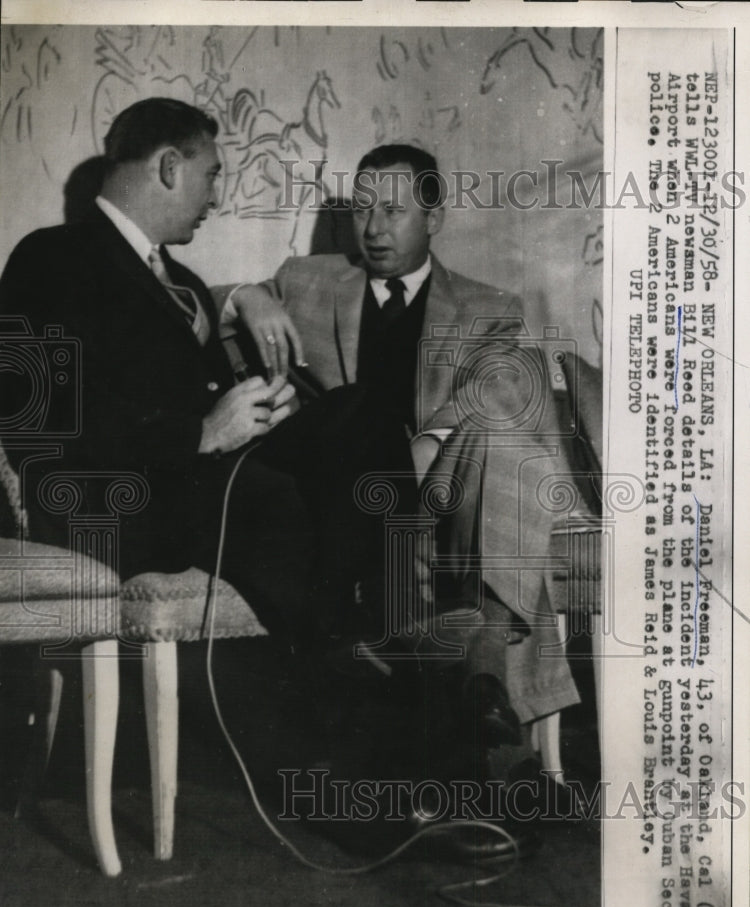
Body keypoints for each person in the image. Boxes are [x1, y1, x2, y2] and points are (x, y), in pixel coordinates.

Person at [0, 99, 414, 658]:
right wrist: (199, 433)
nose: (215, 199)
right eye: (211, 177)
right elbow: (37, 423)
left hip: (201, 480)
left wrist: (267, 410)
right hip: (120, 497)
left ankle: (395, 627)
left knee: (360, 411)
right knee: (286, 500)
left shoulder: (185, 283)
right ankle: (347, 653)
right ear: (170, 167)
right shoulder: (53, 257)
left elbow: (213, 399)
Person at [221, 143, 586, 749]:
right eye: (362, 209)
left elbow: (498, 389)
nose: (372, 228)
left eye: (393, 211)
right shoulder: (304, 282)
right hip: (343, 500)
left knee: (505, 428)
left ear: (433, 218)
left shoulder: (487, 308)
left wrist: (429, 444)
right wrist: (244, 296)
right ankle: (483, 676)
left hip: (443, 491)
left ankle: (481, 668)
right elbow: (187, 309)